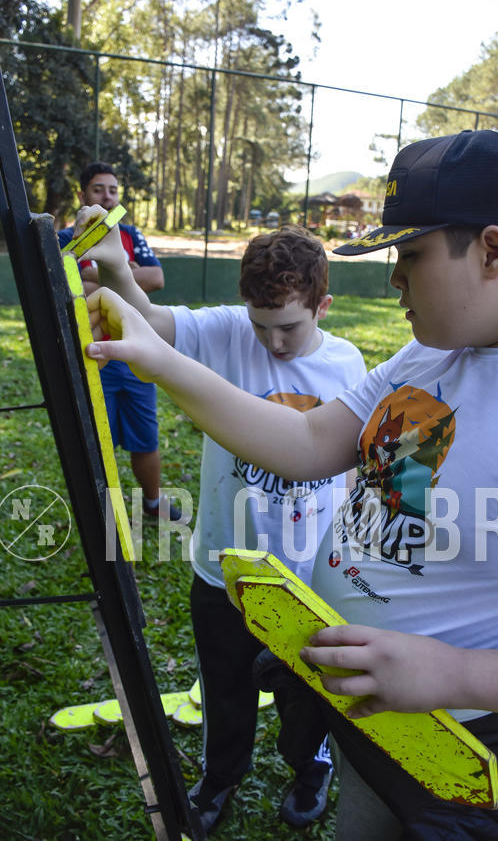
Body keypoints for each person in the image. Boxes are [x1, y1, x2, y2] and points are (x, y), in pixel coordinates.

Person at [82, 129, 498, 837]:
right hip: (366, 732)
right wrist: (160, 359)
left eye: (411, 254)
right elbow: (305, 442)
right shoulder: (428, 355)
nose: (395, 279)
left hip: (471, 767)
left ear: (491, 251)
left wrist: (458, 675)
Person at [70, 219, 367, 831]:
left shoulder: (349, 363)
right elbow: (150, 326)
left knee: (305, 694)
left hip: (308, 576)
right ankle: (220, 777)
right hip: (222, 568)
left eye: (290, 326)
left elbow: (350, 465)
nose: (275, 343)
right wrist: (118, 269)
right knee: (225, 688)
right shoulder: (231, 333)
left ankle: (311, 768)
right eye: (262, 326)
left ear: (323, 305)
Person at [58, 162, 180, 521]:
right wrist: (122, 274)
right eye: (98, 189)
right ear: (82, 195)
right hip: (92, 352)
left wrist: (95, 272)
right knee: (96, 443)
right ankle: (102, 514)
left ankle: (153, 505)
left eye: (112, 190)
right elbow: (67, 282)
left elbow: (156, 277)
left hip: (137, 348)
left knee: (146, 439)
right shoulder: (67, 238)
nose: (107, 197)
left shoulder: (130, 232)